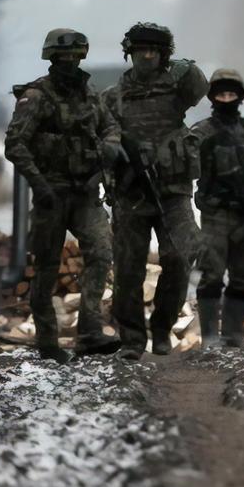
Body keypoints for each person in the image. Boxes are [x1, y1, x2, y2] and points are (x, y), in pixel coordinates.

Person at [4, 28, 121, 363]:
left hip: (85, 191)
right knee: (46, 266)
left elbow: (110, 127)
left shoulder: (89, 93)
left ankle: (89, 332)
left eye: (75, 57)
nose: (70, 62)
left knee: (101, 252)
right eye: (63, 57)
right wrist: (39, 185)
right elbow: (15, 144)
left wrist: (109, 150)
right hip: (50, 192)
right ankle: (47, 341)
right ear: (52, 58)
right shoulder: (37, 96)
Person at [101, 22, 208, 360]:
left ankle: (162, 327)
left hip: (173, 190)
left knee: (179, 256)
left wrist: (178, 65)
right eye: (141, 50)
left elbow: (201, 82)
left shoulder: (177, 86)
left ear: (164, 54)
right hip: (131, 193)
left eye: (155, 51)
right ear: (129, 53)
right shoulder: (112, 98)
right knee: (129, 266)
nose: (148, 56)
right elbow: (100, 141)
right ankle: (132, 339)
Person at [190, 68, 244, 348]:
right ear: (213, 97)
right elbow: (185, 164)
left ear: (240, 97)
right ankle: (210, 336)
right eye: (221, 94)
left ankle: (234, 333)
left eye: (231, 93)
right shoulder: (202, 132)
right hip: (216, 213)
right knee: (212, 272)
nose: (227, 99)